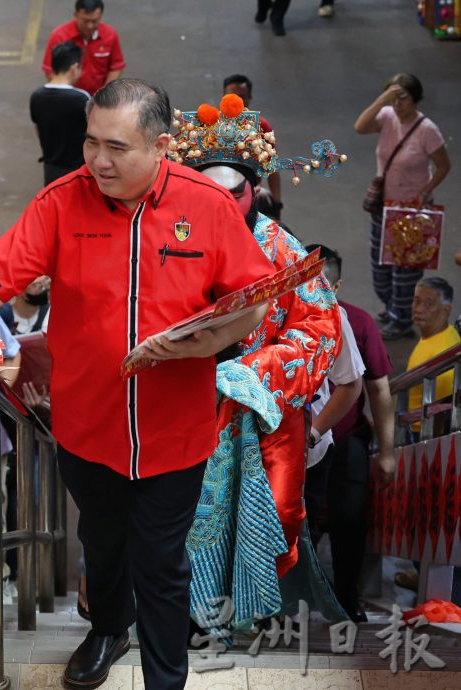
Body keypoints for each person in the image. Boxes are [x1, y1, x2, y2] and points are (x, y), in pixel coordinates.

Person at [0, 79, 275, 689]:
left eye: (117, 147)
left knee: (162, 563)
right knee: (103, 542)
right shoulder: (63, 200)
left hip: (175, 430)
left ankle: (165, 680)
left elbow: (251, 298)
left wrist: (206, 342)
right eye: (92, 142)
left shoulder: (207, 206)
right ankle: (108, 629)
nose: (98, 160)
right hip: (87, 424)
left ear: (162, 146)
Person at [168, 94, 343, 640]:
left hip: (264, 410)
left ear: (254, 190)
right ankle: (193, 614)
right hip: (186, 399)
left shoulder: (283, 250)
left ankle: (259, 610)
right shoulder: (171, 243)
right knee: (184, 514)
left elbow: (319, 329)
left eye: (235, 192)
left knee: (277, 511)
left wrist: (259, 370)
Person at [303, 244, 396, 623]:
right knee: (299, 520)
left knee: (349, 518)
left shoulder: (356, 322)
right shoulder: (280, 320)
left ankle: (347, 598)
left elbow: (378, 389)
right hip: (296, 442)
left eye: (323, 284)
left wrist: (388, 451)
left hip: (345, 440)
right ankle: (296, 601)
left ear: (337, 285)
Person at [354, 73, 451, 341]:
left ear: (416, 98)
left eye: (402, 98)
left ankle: (402, 319)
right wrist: (383, 100)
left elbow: (444, 165)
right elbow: (360, 127)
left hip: (411, 210)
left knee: (404, 274)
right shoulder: (386, 116)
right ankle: (394, 307)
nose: (397, 104)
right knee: (381, 269)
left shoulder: (427, 130)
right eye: (393, 98)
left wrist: (425, 191)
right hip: (383, 208)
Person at [222, 75, 282, 220]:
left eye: (242, 97)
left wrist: (277, 205)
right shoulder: (209, 125)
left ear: (249, 97)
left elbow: (271, 168)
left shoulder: (262, 126)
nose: (237, 101)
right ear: (223, 97)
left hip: (251, 196)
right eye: (232, 96)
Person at [31, 41, 90, 186]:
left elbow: (38, 129)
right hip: (78, 171)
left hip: (51, 168)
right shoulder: (82, 98)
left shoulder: (37, 96)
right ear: (75, 67)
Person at [42, 0, 125, 95]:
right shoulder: (59, 36)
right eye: (85, 21)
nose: (90, 26)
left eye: (94, 21)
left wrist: (104, 94)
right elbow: (49, 70)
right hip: (69, 97)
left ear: (101, 15)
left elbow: (116, 67)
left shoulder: (110, 35)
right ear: (75, 14)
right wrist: (67, 93)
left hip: (98, 99)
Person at [406, 277, 460, 422]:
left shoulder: (441, 363)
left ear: (446, 310)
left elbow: (441, 417)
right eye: (416, 301)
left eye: (429, 304)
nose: (418, 309)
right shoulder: (445, 331)